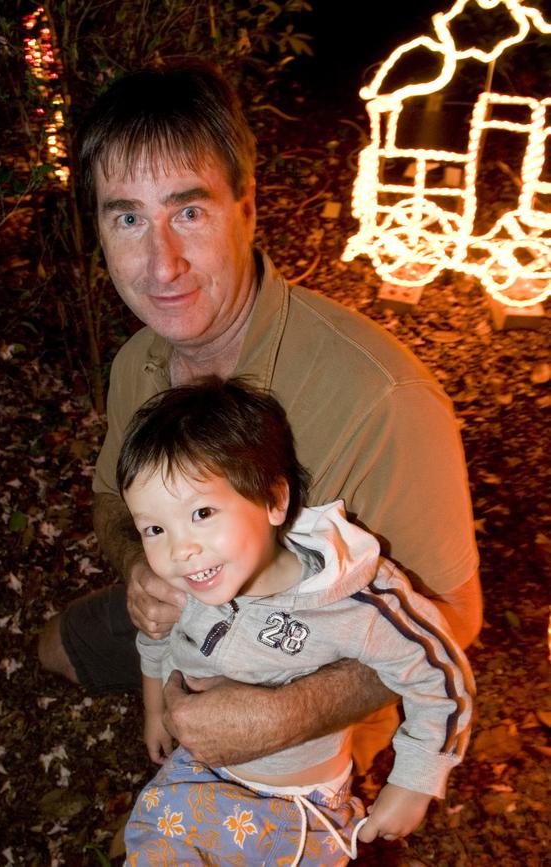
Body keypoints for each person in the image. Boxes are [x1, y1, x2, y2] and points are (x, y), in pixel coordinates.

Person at [38, 58, 482, 774]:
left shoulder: (383, 399)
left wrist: (287, 712)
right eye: (128, 218)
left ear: (246, 207)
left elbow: (455, 614)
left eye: (189, 211)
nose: (161, 265)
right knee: (51, 647)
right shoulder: (135, 365)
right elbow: (108, 499)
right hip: (189, 608)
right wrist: (137, 567)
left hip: (317, 664)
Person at [117, 377, 475, 865]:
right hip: (196, 778)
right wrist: (154, 707)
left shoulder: (354, 599)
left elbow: (440, 675)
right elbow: (155, 634)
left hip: (302, 810)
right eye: (154, 528)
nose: (180, 549)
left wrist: (413, 781)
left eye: (202, 512)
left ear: (274, 501)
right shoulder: (186, 580)